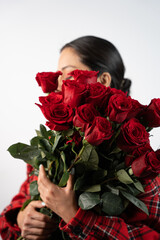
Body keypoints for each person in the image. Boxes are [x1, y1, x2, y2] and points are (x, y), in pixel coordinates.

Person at [0, 36, 159, 240]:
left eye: (67, 74)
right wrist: (23, 218)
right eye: (58, 75)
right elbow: (13, 214)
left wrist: (73, 215)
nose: (58, 84)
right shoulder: (51, 146)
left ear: (102, 80)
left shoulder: (138, 161)